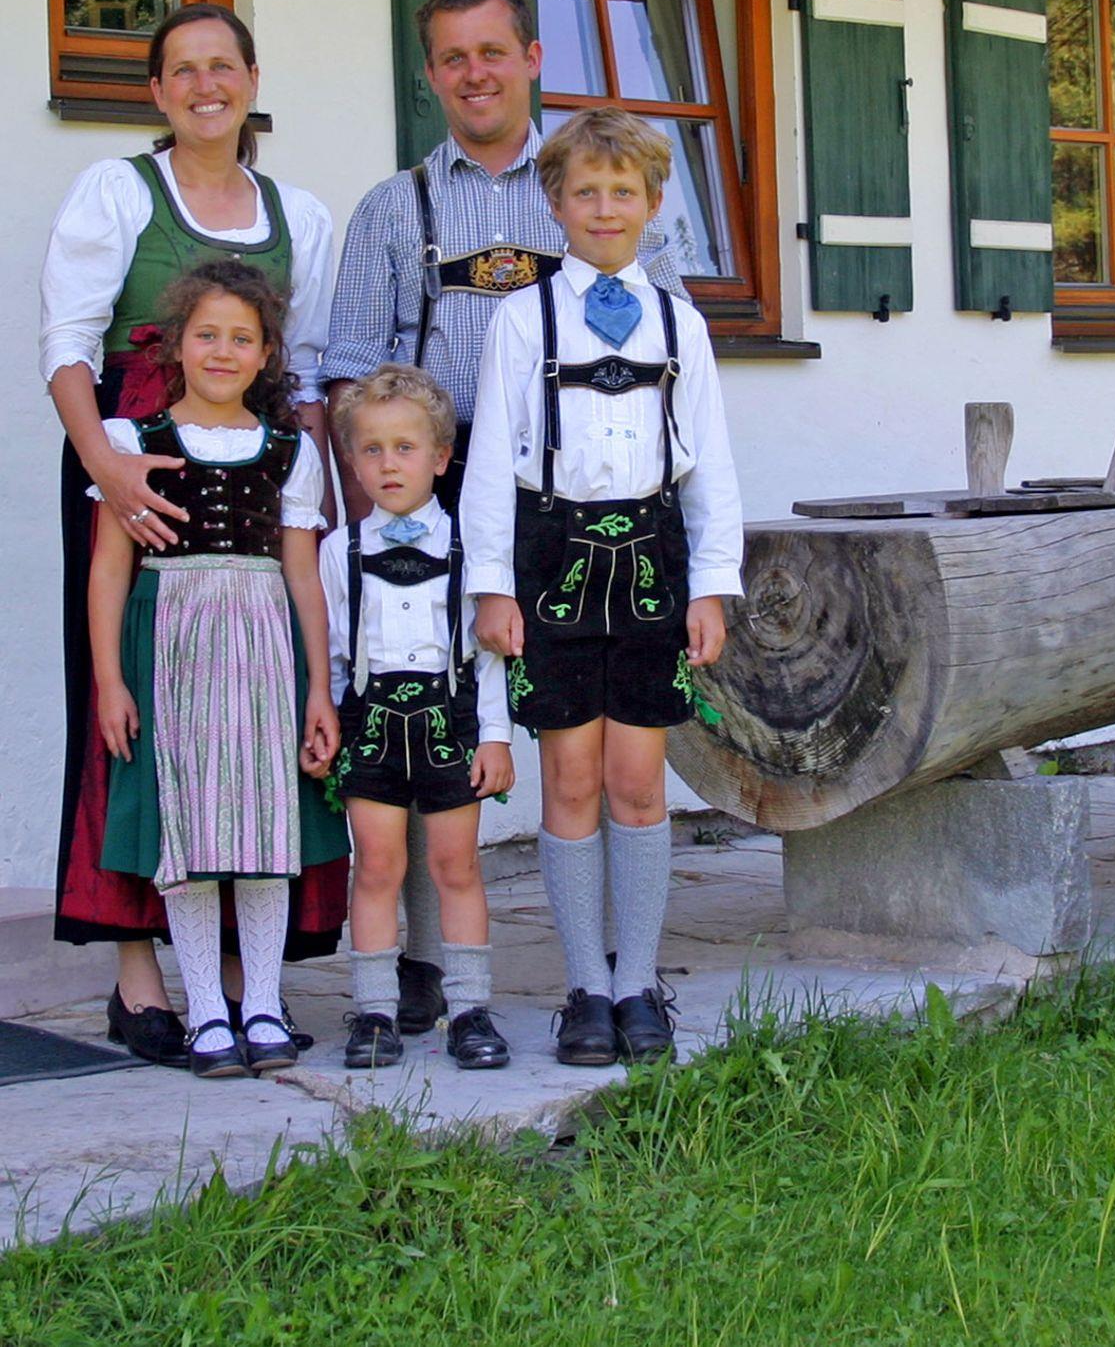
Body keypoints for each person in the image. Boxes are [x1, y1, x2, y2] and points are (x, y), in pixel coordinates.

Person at [319, 0, 695, 1035]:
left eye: (492, 51)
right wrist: (382, 517)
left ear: (532, 58)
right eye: (453, 57)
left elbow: (669, 339)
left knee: (599, 746)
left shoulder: (586, 178)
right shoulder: (395, 207)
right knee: (427, 709)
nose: (473, 72)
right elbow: (351, 374)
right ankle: (428, 959)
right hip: (442, 491)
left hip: (576, 491)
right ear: (431, 74)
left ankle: (620, 965)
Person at [42, 2, 346, 1064]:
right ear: (157, 90)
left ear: (252, 80)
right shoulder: (117, 190)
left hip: (254, 482)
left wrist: (314, 492)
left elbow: (304, 374)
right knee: (129, 713)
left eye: (223, 66)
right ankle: (137, 973)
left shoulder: (297, 213)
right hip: (130, 461)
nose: (206, 85)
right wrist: (106, 463)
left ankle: (240, 979)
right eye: (183, 69)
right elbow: (69, 343)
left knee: (252, 720)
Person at [464, 109, 742, 1066]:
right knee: (572, 780)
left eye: (623, 192)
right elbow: (490, 464)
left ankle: (639, 985)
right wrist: (492, 585)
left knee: (637, 782)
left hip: (653, 562)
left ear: (653, 203)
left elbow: (710, 467)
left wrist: (712, 585)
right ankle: (585, 985)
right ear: (555, 203)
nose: (605, 208)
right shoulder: (522, 319)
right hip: (553, 562)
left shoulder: (680, 323)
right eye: (585, 191)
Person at [86, 262, 346, 1078]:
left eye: (242, 338)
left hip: (264, 643)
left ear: (267, 353)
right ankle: (205, 1009)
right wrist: (110, 681)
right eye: (207, 335)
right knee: (188, 826)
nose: (223, 351)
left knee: (266, 821)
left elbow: (304, 574)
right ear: (176, 345)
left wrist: (319, 687)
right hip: (170, 642)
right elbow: (109, 570)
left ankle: (260, 1002)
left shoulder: (292, 451)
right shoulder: (133, 445)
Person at [322, 365, 514, 1071]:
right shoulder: (339, 551)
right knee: (376, 866)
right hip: (371, 724)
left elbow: (488, 658)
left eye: (405, 448)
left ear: (440, 457)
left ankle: (468, 1008)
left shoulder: (471, 548)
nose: (389, 464)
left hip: (449, 722)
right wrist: (329, 725)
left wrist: (495, 737)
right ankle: (374, 1011)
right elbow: (336, 653)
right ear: (352, 461)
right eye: (372, 449)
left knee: (455, 866)